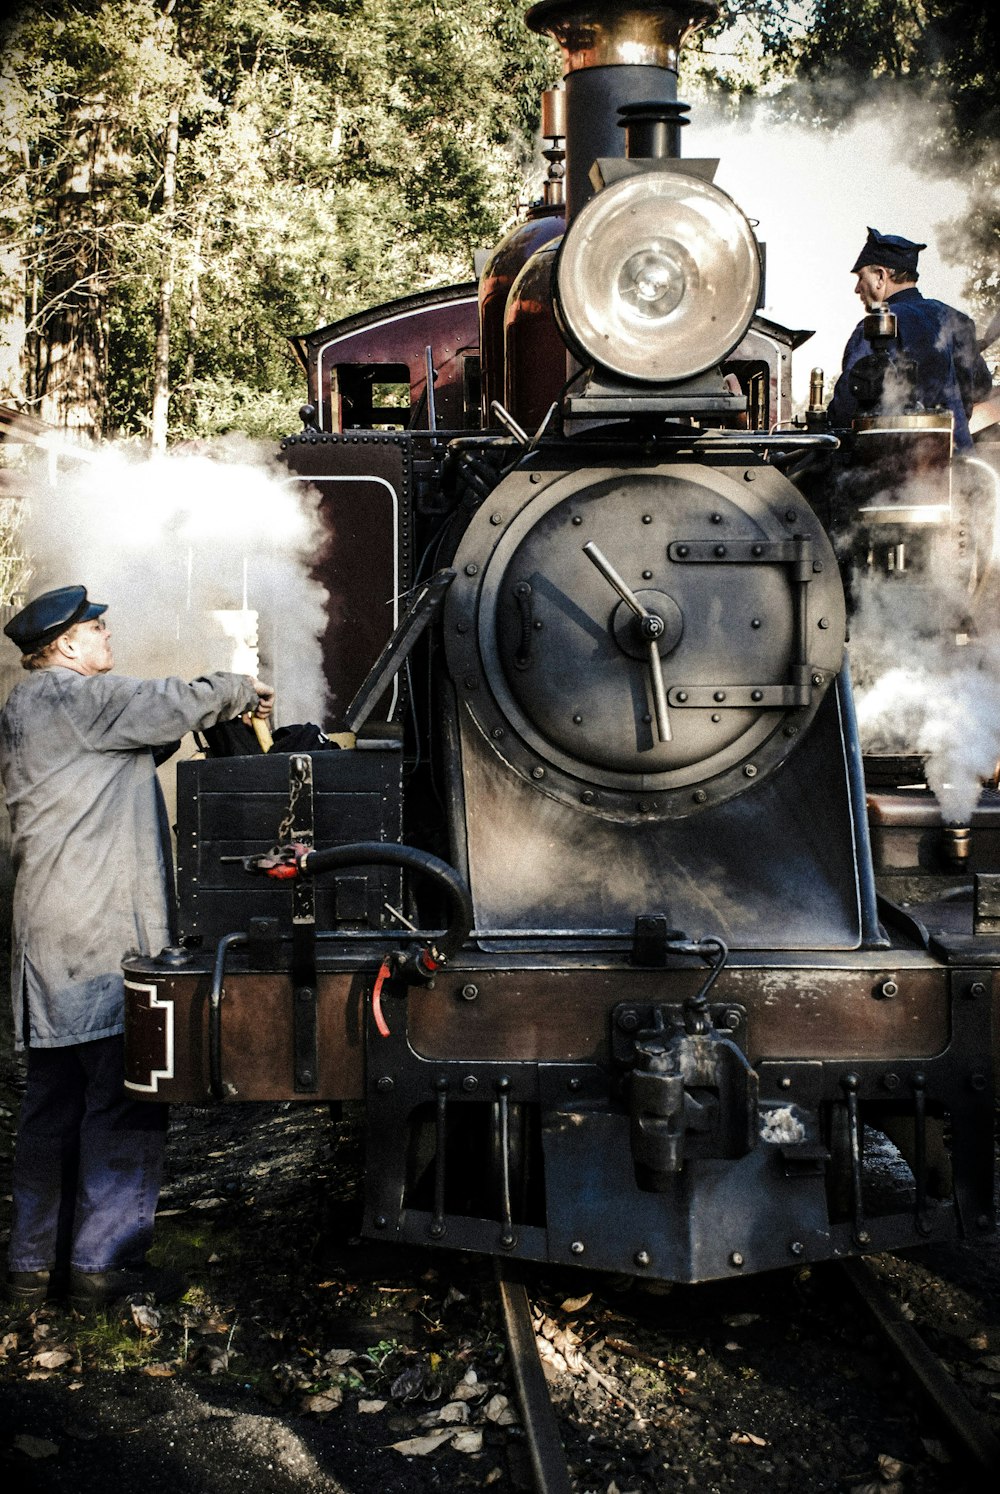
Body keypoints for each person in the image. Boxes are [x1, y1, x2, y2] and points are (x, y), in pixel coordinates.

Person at [0, 585, 275, 1313]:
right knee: (125, 1098)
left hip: (50, 938)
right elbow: (168, 703)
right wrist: (241, 688)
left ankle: (32, 1268)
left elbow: (137, 743)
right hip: (97, 939)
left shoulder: (30, 711)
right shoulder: (76, 701)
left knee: (50, 1107)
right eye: (95, 629)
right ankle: (103, 1266)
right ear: (63, 647)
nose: (107, 635)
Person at [827, 227, 993, 451]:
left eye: (860, 277)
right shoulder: (957, 320)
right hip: (958, 462)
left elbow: (846, 408)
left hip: (898, 467)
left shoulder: (878, 326)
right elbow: (981, 388)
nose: (857, 288)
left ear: (880, 276)